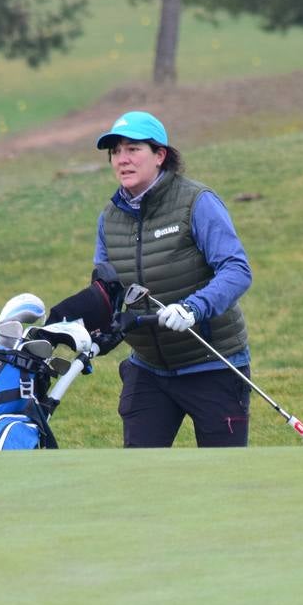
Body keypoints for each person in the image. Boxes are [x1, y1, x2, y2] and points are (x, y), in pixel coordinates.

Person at [91, 110, 253, 448]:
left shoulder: (196, 202)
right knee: (140, 475)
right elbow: (106, 290)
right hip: (148, 368)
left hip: (213, 363)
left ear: (160, 155)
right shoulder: (110, 219)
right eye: (115, 152)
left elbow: (237, 270)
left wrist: (193, 309)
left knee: (224, 477)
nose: (122, 160)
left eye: (133, 149)